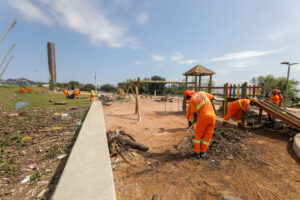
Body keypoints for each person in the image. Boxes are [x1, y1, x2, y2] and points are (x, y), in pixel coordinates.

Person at [185, 90, 215, 159]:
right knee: (208, 135)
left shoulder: (192, 100)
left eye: (187, 98)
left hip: (203, 117)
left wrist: (195, 119)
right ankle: (203, 152)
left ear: (188, 96)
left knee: (198, 136)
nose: (188, 100)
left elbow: (194, 113)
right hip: (213, 117)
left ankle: (197, 153)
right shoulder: (202, 92)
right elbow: (212, 97)